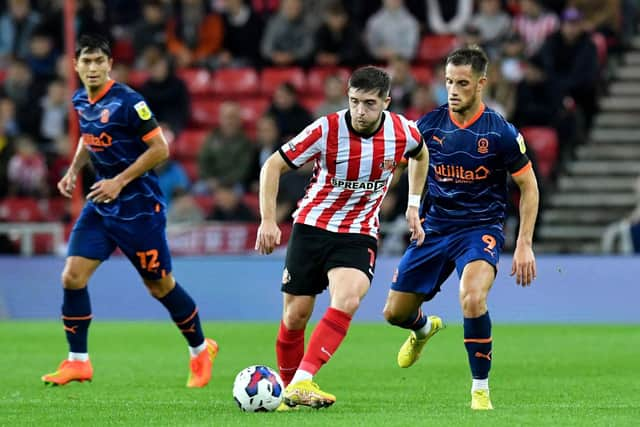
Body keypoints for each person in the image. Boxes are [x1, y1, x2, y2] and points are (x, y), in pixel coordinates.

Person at [41, 34, 218, 387]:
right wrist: (74, 170)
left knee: (160, 286)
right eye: (85, 62)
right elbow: (88, 137)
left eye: (98, 61)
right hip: (102, 204)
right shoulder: (80, 100)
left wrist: (119, 181)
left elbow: (160, 149)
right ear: (75, 66)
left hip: (139, 208)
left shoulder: (129, 102)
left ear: (110, 65)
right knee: (72, 276)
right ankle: (78, 361)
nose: (92, 68)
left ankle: (201, 349)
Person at [255, 66, 429, 409]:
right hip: (312, 226)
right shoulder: (326, 128)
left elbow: (421, 155)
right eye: (354, 102)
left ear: (386, 102)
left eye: (369, 103)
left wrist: (412, 203)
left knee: (348, 299)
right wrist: (267, 220)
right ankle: (291, 391)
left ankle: (303, 380)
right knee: (295, 317)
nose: (360, 111)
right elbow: (273, 165)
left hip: (357, 233)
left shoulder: (402, 131)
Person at [382, 46, 539, 410]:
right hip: (434, 228)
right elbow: (401, 166)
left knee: (471, 297)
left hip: (479, 228)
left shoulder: (500, 132)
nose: (453, 90)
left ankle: (479, 388)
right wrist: (401, 199)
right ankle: (423, 328)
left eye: (462, 83)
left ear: (481, 84)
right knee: (394, 314)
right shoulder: (429, 126)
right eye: (449, 81)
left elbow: (528, 186)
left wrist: (524, 243)